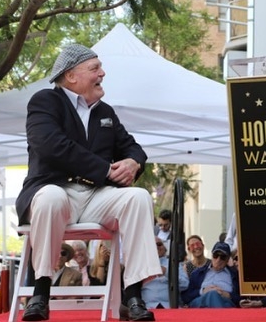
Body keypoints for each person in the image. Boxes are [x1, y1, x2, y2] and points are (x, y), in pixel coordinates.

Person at [16, 44, 161, 322]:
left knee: (138, 197)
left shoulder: (104, 110)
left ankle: (132, 296)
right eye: (95, 68)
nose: (102, 73)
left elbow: (132, 147)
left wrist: (133, 162)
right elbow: (52, 146)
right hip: (54, 189)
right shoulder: (45, 101)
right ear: (71, 75)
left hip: (96, 196)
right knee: (50, 199)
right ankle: (40, 293)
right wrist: (106, 170)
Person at [181, 242, 240, 308]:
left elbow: (242, 298)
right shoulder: (198, 273)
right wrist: (202, 291)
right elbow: (186, 296)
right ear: (212, 256)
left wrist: (229, 295)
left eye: (223, 257)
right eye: (216, 255)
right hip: (201, 302)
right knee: (213, 294)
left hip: (225, 302)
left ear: (228, 259)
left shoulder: (234, 274)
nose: (218, 260)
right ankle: (220, 317)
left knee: (220, 301)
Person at [142, 237, 189, 309]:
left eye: (159, 244)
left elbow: (185, 284)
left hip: (170, 307)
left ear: (165, 248)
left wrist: (167, 272)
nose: (156, 247)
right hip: (147, 308)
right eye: (153, 245)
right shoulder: (141, 265)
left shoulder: (174, 264)